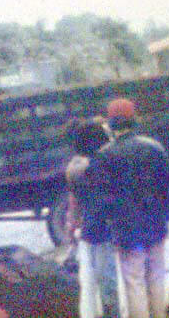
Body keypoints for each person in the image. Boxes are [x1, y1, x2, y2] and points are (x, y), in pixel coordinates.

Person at [84, 98, 169, 318]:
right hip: (155, 223)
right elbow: (167, 186)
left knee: (134, 281)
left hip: (127, 229)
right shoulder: (154, 147)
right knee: (156, 275)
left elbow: (101, 199)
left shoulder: (104, 156)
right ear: (134, 120)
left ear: (111, 124)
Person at [64, 117, 118, 318]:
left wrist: (72, 228)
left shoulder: (74, 169)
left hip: (91, 230)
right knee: (111, 277)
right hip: (111, 227)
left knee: (92, 279)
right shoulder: (106, 165)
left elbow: (75, 204)